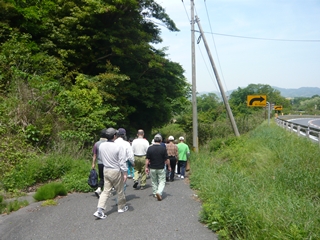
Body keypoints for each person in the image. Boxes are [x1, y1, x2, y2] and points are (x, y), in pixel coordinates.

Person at [93, 128, 128, 219]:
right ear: (114, 136)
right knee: (120, 190)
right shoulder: (118, 147)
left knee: (105, 191)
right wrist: (125, 173)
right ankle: (121, 207)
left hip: (106, 170)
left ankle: (99, 210)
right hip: (115, 170)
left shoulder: (102, 146)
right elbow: (122, 161)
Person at [145, 134, 171, 201]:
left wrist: (146, 167)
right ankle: (159, 192)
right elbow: (167, 159)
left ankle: (154, 193)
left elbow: (147, 159)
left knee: (154, 181)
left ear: (154, 140)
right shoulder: (163, 148)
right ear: (161, 140)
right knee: (162, 181)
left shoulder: (150, 148)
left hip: (152, 167)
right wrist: (169, 166)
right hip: (161, 167)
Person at [114, 128, 134, 199]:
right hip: (123, 164)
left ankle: (118, 196)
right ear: (124, 135)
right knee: (123, 183)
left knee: (115, 182)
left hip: (112, 165)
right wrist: (133, 163)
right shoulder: (126, 143)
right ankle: (120, 199)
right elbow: (130, 156)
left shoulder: (113, 142)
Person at [91, 131, 108, 198]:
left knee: (102, 177)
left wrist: (93, 163)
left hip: (100, 163)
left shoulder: (96, 144)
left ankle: (100, 189)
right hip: (107, 163)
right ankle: (99, 189)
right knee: (107, 177)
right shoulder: (108, 143)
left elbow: (94, 155)